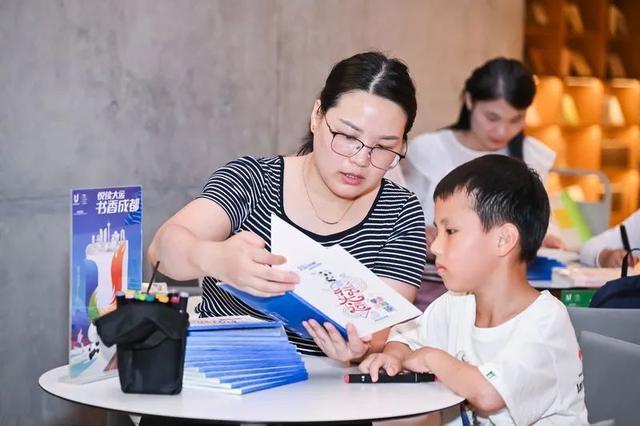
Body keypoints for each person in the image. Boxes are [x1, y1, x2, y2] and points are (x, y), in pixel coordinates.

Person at [148, 51, 427, 363]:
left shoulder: (400, 212)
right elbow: (162, 250)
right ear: (317, 115)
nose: (360, 159)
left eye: (384, 148)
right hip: (221, 376)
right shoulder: (254, 180)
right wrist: (214, 258)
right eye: (348, 136)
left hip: (326, 398)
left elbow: (382, 333)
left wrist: (360, 348)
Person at [360, 155, 588, 425]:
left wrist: (432, 358)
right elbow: (405, 340)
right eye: (437, 232)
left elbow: (488, 393)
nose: (435, 247)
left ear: (503, 240)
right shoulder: (457, 303)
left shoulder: (545, 323)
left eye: (451, 231)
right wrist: (393, 357)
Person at [396, 57, 561, 309]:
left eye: (515, 119)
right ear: (470, 100)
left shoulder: (532, 157)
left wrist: (541, 236)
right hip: (432, 291)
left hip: (501, 298)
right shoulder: (430, 150)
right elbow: (401, 220)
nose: (502, 131)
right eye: (492, 117)